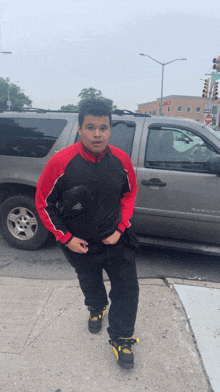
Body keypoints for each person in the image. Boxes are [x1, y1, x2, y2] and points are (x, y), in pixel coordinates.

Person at [35, 100, 139, 369]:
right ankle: (96, 308)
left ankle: (121, 338)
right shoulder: (61, 161)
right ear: (80, 129)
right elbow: (43, 203)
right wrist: (66, 238)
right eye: (90, 127)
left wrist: (120, 229)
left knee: (127, 288)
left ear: (109, 130)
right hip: (79, 243)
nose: (97, 134)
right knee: (90, 282)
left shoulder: (121, 160)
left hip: (116, 239)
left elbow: (129, 194)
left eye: (103, 128)